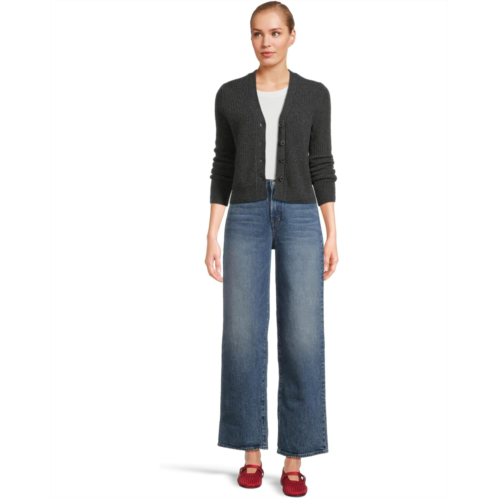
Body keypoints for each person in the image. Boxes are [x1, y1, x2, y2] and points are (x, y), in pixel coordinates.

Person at [205, 2, 338, 496]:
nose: (266, 42)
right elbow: (222, 165)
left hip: (301, 216)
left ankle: (295, 458)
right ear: (251, 38)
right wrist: (212, 232)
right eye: (258, 33)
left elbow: (322, 163)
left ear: (292, 36)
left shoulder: (315, 95)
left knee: (302, 336)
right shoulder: (230, 95)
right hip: (245, 216)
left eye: (276, 33)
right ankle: (251, 453)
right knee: (242, 335)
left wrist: (332, 230)